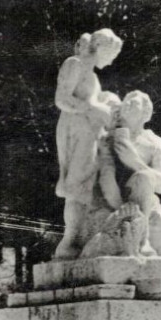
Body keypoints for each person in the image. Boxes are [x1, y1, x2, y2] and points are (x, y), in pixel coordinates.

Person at [53, 29, 123, 260]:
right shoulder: (74, 64)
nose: (112, 61)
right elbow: (62, 99)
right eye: (112, 55)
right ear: (102, 48)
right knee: (76, 185)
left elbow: (97, 104)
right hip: (76, 130)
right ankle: (69, 240)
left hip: (92, 133)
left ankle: (82, 236)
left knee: (88, 186)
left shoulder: (93, 77)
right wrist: (95, 109)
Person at [97, 90, 161, 258]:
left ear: (145, 113)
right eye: (126, 101)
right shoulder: (108, 139)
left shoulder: (156, 143)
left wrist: (135, 162)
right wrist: (121, 209)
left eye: (134, 103)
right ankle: (141, 242)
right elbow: (106, 177)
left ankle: (141, 233)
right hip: (114, 204)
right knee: (144, 177)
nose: (127, 104)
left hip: (148, 205)